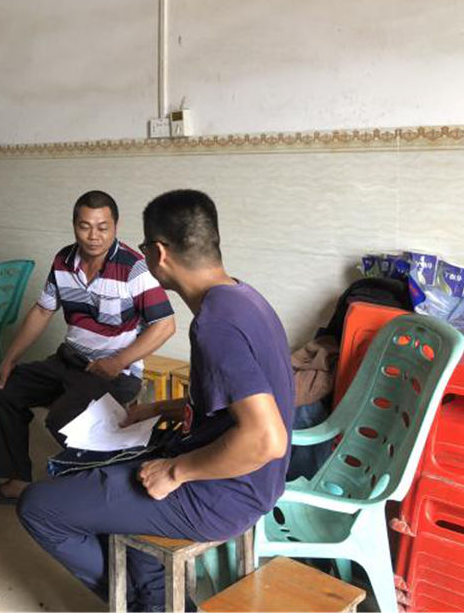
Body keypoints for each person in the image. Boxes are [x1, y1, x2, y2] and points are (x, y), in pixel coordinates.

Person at [17, 189, 294, 612]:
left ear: (159, 253)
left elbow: (265, 439)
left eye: (145, 247)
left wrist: (176, 471)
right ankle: (161, 598)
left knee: (39, 506)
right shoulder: (243, 298)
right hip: (251, 482)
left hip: (221, 493)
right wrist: (152, 409)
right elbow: (230, 402)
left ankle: (137, 603)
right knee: (102, 475)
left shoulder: (215, 325)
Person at [0, 190, 176, 505]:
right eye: (85, 226)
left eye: (103, 227)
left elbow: (165, 325)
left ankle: (101, 492)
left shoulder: (134, 268)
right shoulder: (63, 261)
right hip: (67, 361)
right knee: (5, 389)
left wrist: (117, 362)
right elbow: (42, 310)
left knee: (63, 418)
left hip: (115, 373)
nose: (94, 236)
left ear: (116, 225)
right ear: (74, 226)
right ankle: (17, 482)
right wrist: (9, 360)